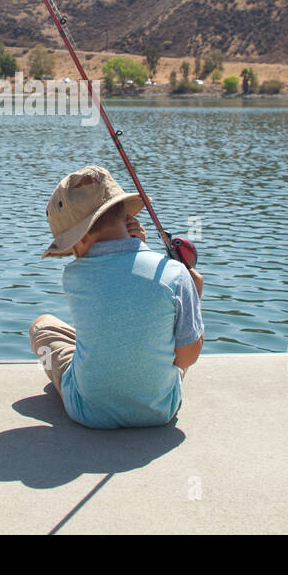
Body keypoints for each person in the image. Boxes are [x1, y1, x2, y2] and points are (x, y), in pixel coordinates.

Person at [30, 165, 204, 428]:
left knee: (41, 327)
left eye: (71, 245)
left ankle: (68, 383)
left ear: (82, 237)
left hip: (87, 411)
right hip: (160, 410)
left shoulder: (74, 275)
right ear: (126, 217)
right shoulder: (175, 274)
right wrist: (191, 293)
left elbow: (118, 285)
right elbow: (186, 358)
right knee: (172, 327)